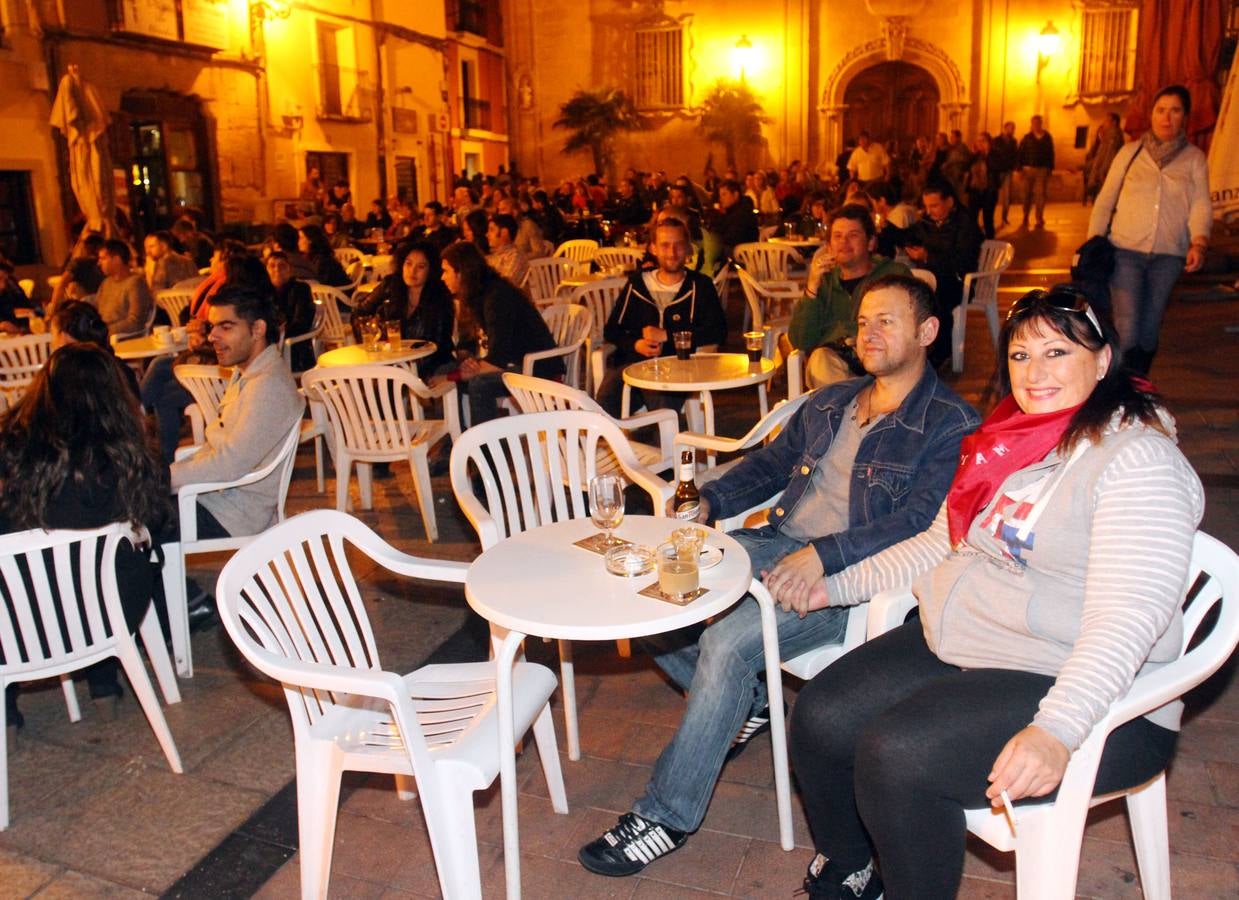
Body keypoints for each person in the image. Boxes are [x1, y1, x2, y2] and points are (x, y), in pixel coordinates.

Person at [788, 286, 1202, 900]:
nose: (1035, 374)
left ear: (1102, 360)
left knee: (897, 755)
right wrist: (838, 585)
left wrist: (1057, 730)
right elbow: (940, 542)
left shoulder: (1138, 462)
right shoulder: (1012, 439)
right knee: (821, 716)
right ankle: (851, 868)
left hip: (1088, 689)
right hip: (978, 642)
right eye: (1021, 355)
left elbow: (1127, 619)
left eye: (1057, 353)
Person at [578, 275, 979, 877]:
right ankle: (751, 701)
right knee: (649, 597)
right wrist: (711, 500)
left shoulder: (950, 424)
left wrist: (825, 556)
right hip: (773, 542)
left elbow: (919, 523)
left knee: (725, 644)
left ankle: (666, 815)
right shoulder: (833, 400)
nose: (868, 333)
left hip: (844, 579)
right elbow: (770, 464)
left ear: (927, 331)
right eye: (863, 322)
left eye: (886, 321)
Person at [0, 343, 170, 737]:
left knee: (21, 560)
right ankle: (103, 683)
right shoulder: (133, 455)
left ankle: (6, 711)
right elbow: (158, 522)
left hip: (23, 621)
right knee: (110, 563)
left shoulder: (12, 450)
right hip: (111, 612)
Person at [1087, 85, 1210, 376]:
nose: (1166, 117)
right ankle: (1122, 387)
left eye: (1175, 111)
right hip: (1125, 251)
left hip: (1169, 255)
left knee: (1150, 327)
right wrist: (1092, 243)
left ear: (1185, 117)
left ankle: (1138, 383)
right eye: (1161, 110)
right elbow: (1105, 200)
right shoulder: (1130, 153)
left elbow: (1200, 203)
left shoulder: (1194, 159)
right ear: (1151, 115)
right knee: (1127, 326)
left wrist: (1199, 241)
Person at [169, 286, 304, 539]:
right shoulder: (248, 373)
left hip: (230, 514)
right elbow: (222, 450)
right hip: (213, 498)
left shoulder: (268, 385)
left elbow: (229, 464)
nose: (212, 336)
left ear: (258, 329)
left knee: (123, 526)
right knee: (122, 512)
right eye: (212, 327)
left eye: (226, 327)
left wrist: (163, 478)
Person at [596, 218, 727, 417]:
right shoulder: (637, 284)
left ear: (688, 248)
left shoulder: (700, 285)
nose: (672, 253)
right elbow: (612, 330)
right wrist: (636, 344)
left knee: (662, 405)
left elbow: (718, 331)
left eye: (678, 245)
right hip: (634, 366)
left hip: (678, 368)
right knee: (604, 402)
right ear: (653, 248)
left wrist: (668, 335)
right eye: (665, 245)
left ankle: (663, 435)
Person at [432, 241, 561, 425]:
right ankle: (458, 435)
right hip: (511, 362)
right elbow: (471, 344)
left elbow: (498, 359)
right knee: (444, 370)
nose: (442, 277)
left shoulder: (497, 296)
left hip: (536, 367)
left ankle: (487, 443)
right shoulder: (476, 295)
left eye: (446, 271)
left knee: (479, 384)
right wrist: (466, 361)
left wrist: (454, 376)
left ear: (461, 273)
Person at [789, 204, 911, 386]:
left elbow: (911, 328)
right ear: (829, 246)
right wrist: (812, 287)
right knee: (820, 359)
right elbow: (801, 341)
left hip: (883, 363)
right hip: (836, 365)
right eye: (837, 236)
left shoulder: (894, 275)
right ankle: (852, 402)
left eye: (853, 235)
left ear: (870, 242)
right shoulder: (824, 282)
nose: (844, 242)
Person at [905, 179, 984, 368]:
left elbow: (962, 260)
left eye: (934, 206)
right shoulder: (928, 223)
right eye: (926, 206)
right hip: (933, 277)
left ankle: (939, 351)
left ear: (949, 202)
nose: (929, 211)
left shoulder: (966, 225)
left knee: (935, 297)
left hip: (959, 282)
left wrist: (928, 256)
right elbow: (908, 235)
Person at [350, 241, 455, 376]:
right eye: (408, 264)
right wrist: (368, 339)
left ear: (431, 270)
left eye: (421, 266)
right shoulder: (390, 285)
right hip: (392, 362)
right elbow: (359, 312)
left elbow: (440, 344)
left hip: (431, 364)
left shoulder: (439, 295)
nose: (412, 271)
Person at [266, 251, 317, 372]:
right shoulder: (264, 292)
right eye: (272, 266)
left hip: (294, 347)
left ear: (289, 269)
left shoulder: (301, 289)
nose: (277, 270)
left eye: (282, 266)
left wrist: (277, 333)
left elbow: (301, 323)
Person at [94, 239, 154, 338]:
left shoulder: (135, 283)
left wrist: (104, 331)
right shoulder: (106, 283)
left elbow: (135, 321)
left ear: (117, 260)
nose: (99, 263)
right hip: (103, 335)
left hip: (121, 338)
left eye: (103, 258)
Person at [708, 179, 758, 263]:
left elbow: (732, 238)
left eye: (724, 194)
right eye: (720, 195)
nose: (721, 199)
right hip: (733, 251)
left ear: (735, 195)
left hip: (744, 255)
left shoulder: (743, 213)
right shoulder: (730, 211)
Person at [1018, 115, 1055, 228]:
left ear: (1041, 124)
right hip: (1028, 169)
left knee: (1040, 195)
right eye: (1034, 123)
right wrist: (1019, 169)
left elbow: (1051, 153)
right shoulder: (1027, 138)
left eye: (1038, 123)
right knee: (1026, 194)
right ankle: (1025, 215)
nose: (1036, 125)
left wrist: (1050, 168)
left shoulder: (1047, 137)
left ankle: (1039, 217)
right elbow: (1020, 153)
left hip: (1042, 170)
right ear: (1031, 124)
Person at [1084, 112, 1126, 204]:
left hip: (1107, 170)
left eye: (1107, 121)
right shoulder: (1108, 135)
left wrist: (1103, 169)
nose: (1104, 123)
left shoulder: (1114, 135)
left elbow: (1109, 154)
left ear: (1114, 122)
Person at [965, 132, 998, 239]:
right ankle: (974, 240)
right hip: (974, 190)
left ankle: (990, 242)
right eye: (978, 141)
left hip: (989, 191)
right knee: (971, 218)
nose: (980, 143)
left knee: (988, 219)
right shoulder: (975, 156)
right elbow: (965, 166)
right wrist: (972, 154)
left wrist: (987, 152)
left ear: (989, 142)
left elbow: (995, 167)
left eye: (983, 141)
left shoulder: (994, 154)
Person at [298, 224, 351, 288]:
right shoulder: (307, 257)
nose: (298, 241)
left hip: (337, 292)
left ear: (310, 240)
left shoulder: (322, 259)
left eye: (301, 238)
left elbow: (321, 283)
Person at [486, 213, 530, 286]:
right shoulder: (493, 256)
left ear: (504, 232)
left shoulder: (515, 256)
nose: (487, 234)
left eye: (492, 230)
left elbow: (506, 284)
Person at [990, 120, 1018, 227]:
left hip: (1008, 170)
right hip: (998, 171)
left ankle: (1004, 217)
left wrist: (1016, 166)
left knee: (1007, 196)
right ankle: (991, 217)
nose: (1012, 130)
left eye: (1013, 128)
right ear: (1005, 128)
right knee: (993, 195)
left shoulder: (1013, 141)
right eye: (1010, 128)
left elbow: (1015, 155)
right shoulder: (996, 140)